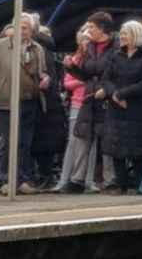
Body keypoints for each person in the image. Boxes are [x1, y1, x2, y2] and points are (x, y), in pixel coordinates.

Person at [0, 13, 49, 195]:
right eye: (19, 26)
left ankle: (24, 179)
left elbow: (42, 72)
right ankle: (6, 179)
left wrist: (43, 80)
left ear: (32, 30)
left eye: (26, 28)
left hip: (29, 100)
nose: (22, 31)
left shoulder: (37, 49)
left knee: (25, 142)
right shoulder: (0, 46)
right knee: (9, 141)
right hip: (6, 102)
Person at [64, 11, 118, 191]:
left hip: (107, 96)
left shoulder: (116, 46)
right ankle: (76, 179)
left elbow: (117, 71)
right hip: (90, 96)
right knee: (82, 135)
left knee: (107, 138)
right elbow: (87, 73)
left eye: (92, 27)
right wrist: (72, 68)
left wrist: (107, 89)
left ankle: (110, 179)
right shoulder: (90, 48)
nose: (88, 31)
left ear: (102, 28)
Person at [99, 20, 142, 194]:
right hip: (116, 107)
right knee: (116, 147)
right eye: (121, 33)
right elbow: (105, 79)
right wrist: (115, 94)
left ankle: (138, 183)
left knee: (137, 147)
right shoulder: (116, 56)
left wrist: (124, 94)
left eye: (125, 34)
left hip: (136, 107)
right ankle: (120, 183)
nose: (122, 37)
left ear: (135, 36)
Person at [53, 25, 96, 193]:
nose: (86, 42)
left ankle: (89, 180)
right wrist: (83, 80)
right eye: (84, 39)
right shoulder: (75, 59)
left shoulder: (96, 59)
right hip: (78, 102)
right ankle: (64, 179)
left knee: (92, 142)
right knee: (73, 141)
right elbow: (66, 83)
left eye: (89, 39)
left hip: (92, 102)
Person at [30, 22, 67, 190]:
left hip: (42, 102)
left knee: (39, 142)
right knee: (46, 143)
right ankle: (46, 174)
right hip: (50, 103)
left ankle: (43, 175)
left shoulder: (38, 50)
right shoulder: (49, 52)